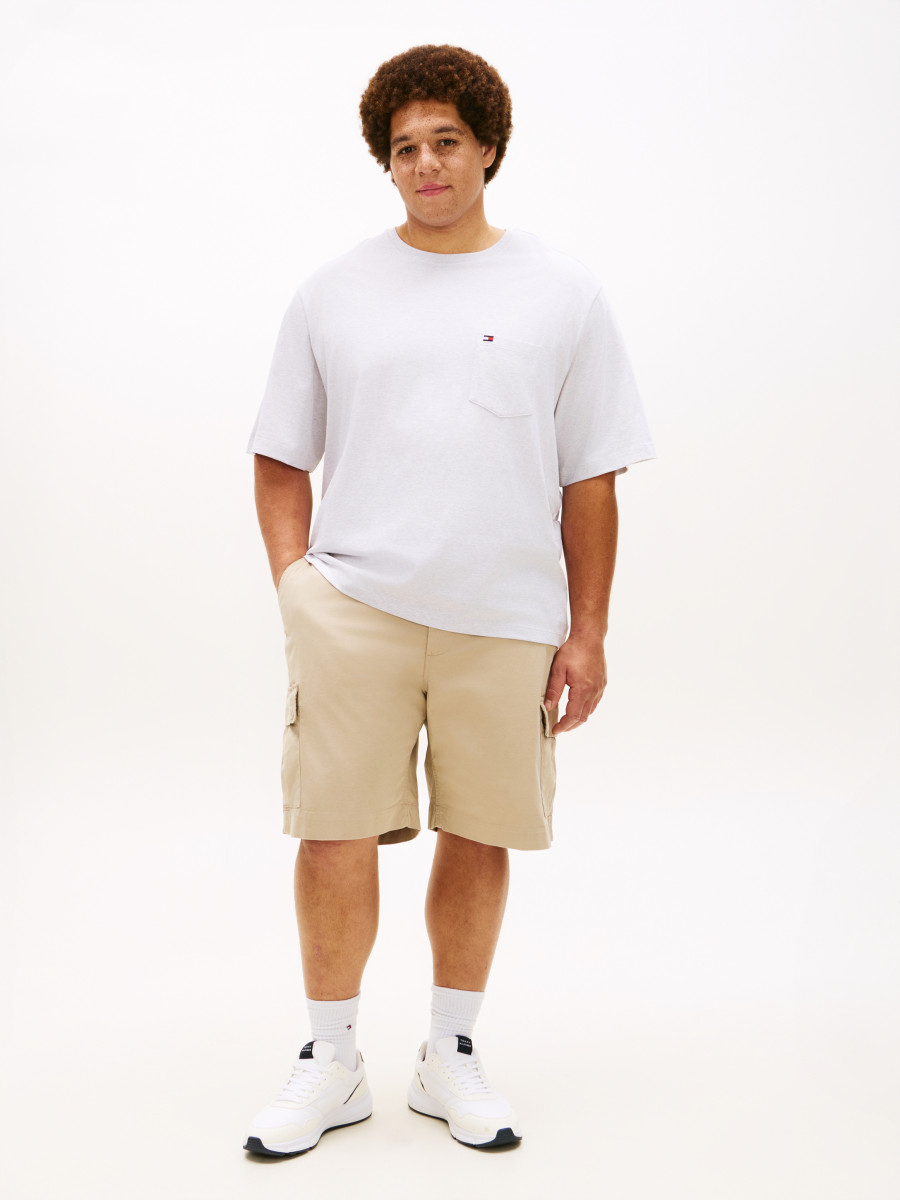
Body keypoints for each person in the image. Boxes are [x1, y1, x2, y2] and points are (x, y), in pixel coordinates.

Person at [242, 43, 656, 1158]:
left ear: (488, 149)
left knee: (479, 832)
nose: (426, 165)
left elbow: (592, 475)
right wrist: (296, 586)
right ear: (387, 162)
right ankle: (331, 1059)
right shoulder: (334, 291)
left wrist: (588, 631)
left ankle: (450, 1055)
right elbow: (279, 455)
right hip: (355, 607)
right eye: (405, 148)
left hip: (507, 618)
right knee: (333, 834)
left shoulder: (562, 293)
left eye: (446, 143)